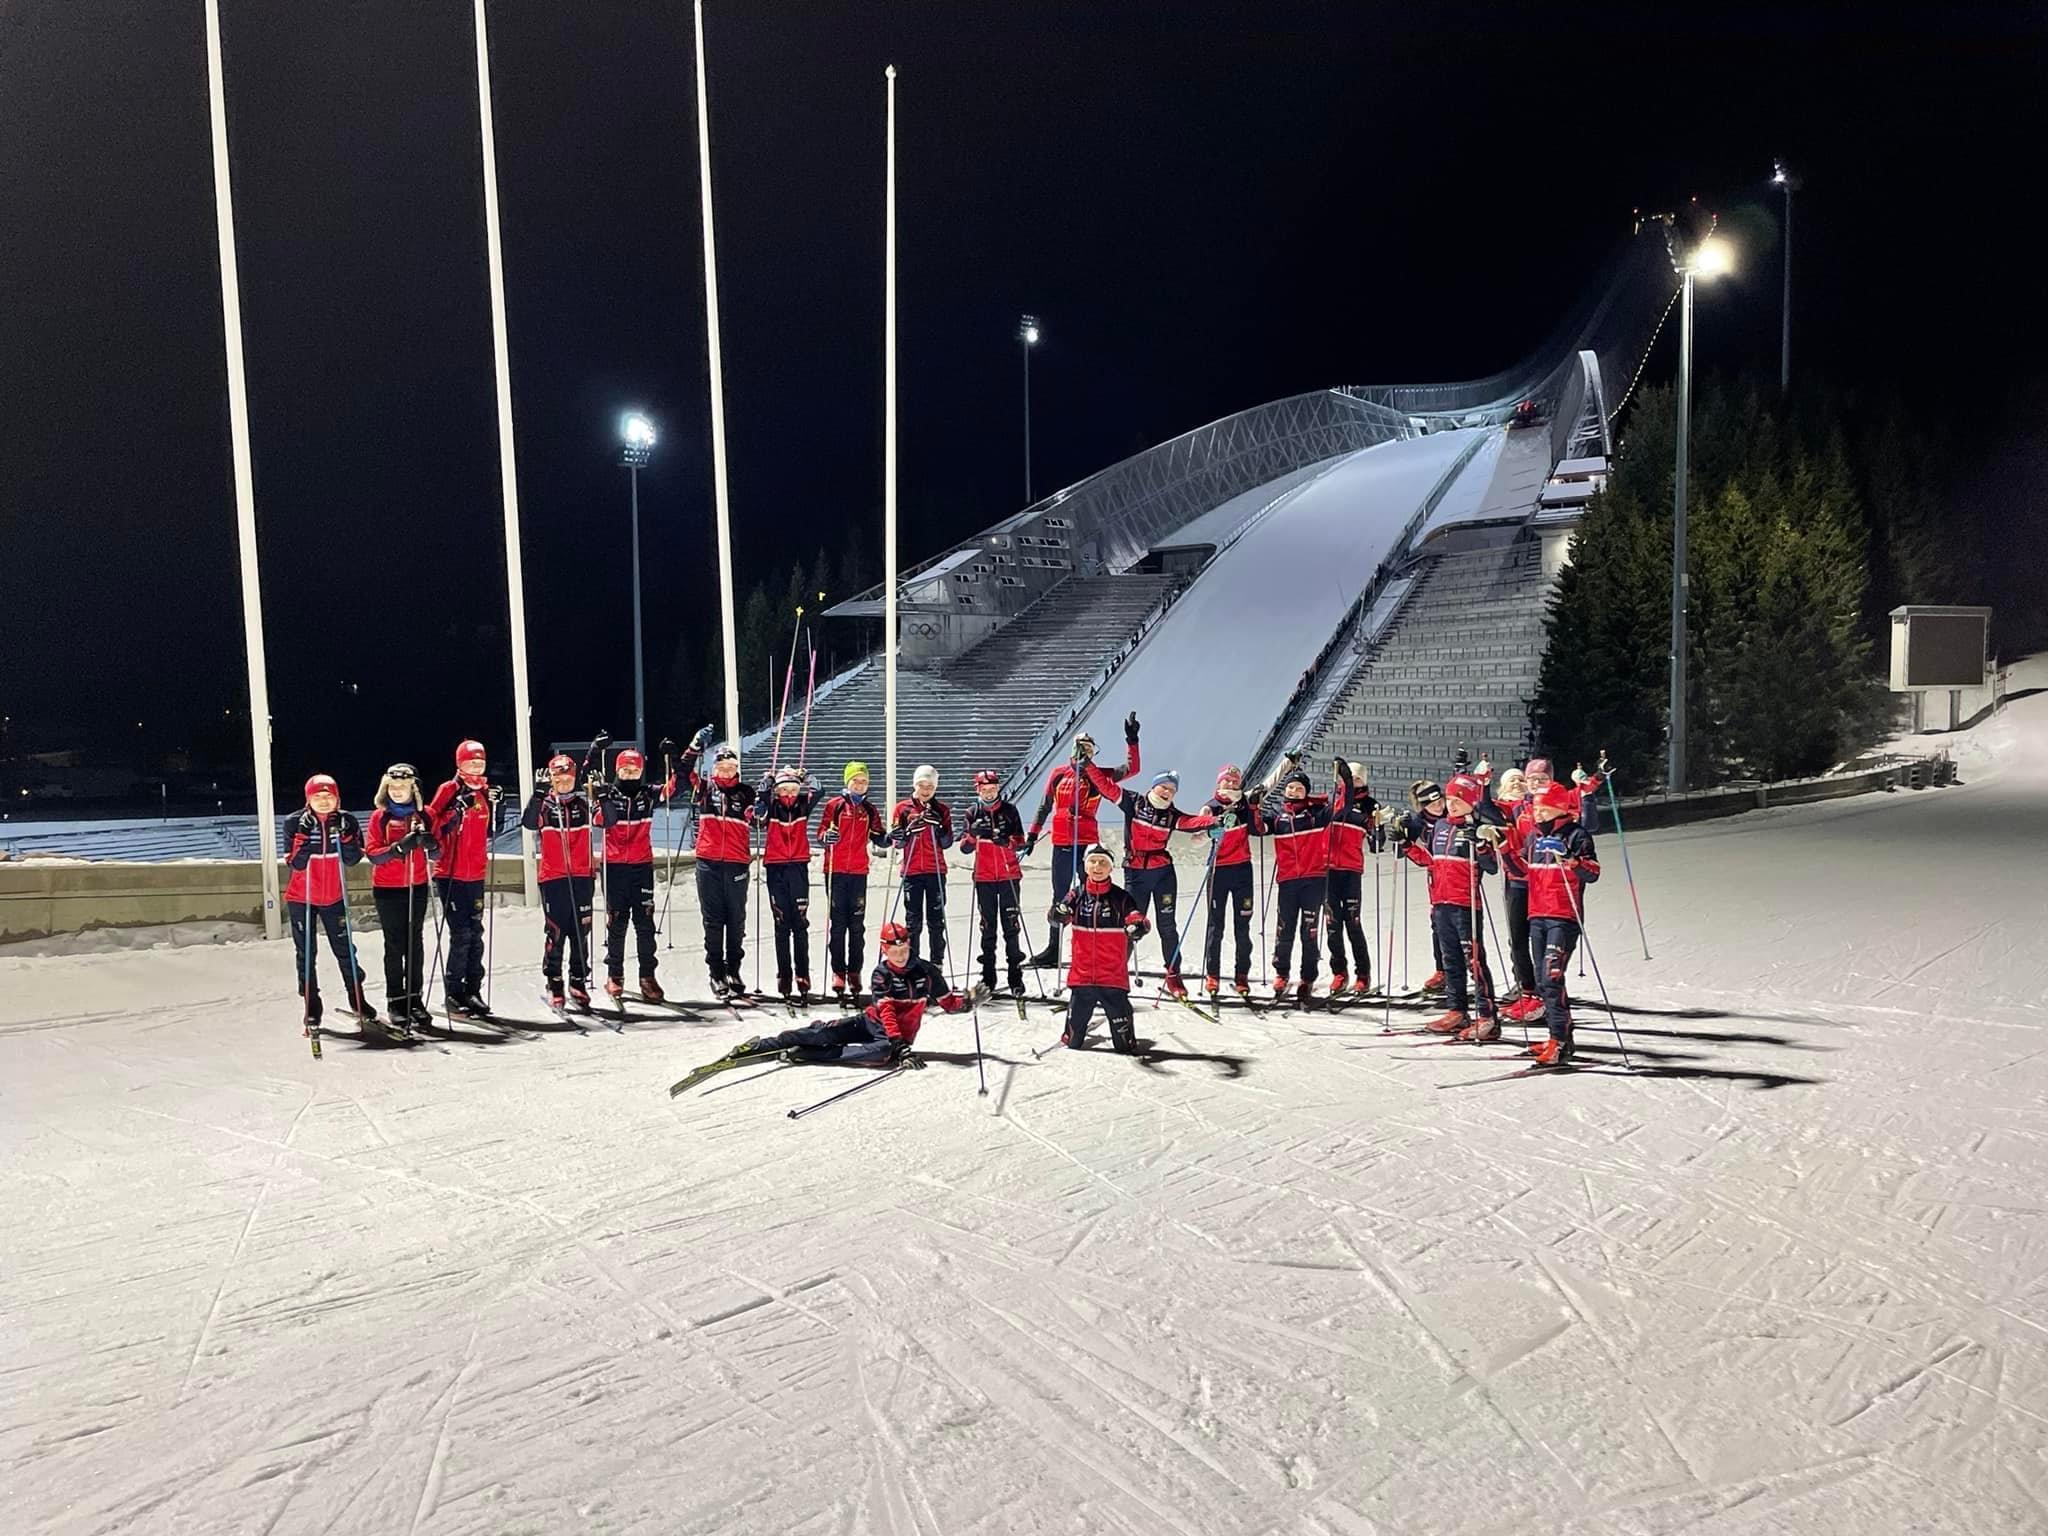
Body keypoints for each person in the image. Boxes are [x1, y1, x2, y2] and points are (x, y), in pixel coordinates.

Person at [682, 921, 966, 1076]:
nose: (900, 956)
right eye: (894, 951)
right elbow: (887, 1012)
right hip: (873, 1024)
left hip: (889, 1041)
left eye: (903, 950)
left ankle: (803, 1054)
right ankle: (760, 1046)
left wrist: (969, 1001)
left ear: (910, 946)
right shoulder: (881, 974)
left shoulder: (927, 972)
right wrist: (901, 1046)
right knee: (820, 1034)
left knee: (880, 1055)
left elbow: (949, 1003)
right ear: (884, 950)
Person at [1081, 763, 1215, 998]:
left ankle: (1173, 974)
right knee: (1131, 925)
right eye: (1164, 787)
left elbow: (1191, 822)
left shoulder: (1171, 815)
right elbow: (1105, 786)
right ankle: (1114, 974)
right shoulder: (1134, 802)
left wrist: (1217, 821)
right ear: (1154, 787)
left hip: (1163, 874)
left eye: (1172, 790)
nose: (1167, 792)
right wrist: (1087, 765)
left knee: (1167, 926)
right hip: (1136, 874)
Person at [1023, 711, 1141, 967]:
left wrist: (1132, 741)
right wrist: (1031, 835)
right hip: (1062, 841)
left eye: (1089, 748)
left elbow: (1132, 769)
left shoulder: (1098, 774)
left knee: (1092, 894)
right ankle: (1053, 948)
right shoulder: (1058, 773)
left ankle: (1096, 946)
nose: (1084, 751)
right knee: (1060, 896)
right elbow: (1044, 806)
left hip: (1086, 842)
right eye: (1081, 746)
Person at [1506, 780, 1601, 1065]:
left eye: (1544, 810)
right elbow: (1521, 870)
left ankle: (1559, 1040)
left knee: (1551, 977)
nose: (1538, 815)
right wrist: (1502, 849)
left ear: (1559, 809)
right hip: (1537, 915)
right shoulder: (1534, 837)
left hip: (1563, 916)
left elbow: (1593, 872)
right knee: (1542, 981)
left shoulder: (1577, 834)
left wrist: (1570, 859)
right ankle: (1558, 1036)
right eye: (1536, 810)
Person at [1401, 771, 1500, 1039]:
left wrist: (1481, 843)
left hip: (1465, 905)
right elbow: (1428, 860)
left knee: (1474, 962)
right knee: (1450, 961)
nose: (1452, 804)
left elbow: (1492, 867)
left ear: (1471, 801)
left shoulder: (1478, 826)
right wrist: (1405, 844)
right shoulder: (1440, 826)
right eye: (1450, 799)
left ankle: (1487, 1017)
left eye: (1459, 800)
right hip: (1440, 903)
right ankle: (1457, 1011)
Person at [286, 774, 380, 1034]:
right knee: (306, 953)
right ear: (308, 799)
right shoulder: (294, 821)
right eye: (318, 796)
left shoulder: (347, 820)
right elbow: (296, 863)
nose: (324, 801)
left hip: (334, 896)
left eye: (329, 796)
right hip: (302, 896)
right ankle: (311, 1004)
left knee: (345, 949)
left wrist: (347, 835)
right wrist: (304, 835)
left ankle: (357, 997)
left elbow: (352, 860)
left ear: (337, 798)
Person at [591, 744, 678, 1002]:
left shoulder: (648, 794)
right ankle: (614, 975)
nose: (630, 775)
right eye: (625, 770)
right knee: (617, 922)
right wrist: (602, 796)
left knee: (645, 924)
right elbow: (599, 820)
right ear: (617, 770)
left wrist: (672, 757)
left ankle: (647, 976)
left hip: (641, 866)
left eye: (635, 770)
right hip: (615, 867)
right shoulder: (608, 793)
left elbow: (675, 786)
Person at [426, 740, 501, 1019]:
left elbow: (490, 830)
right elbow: (431, 823)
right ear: (460, 763)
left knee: (476, 934)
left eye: (480, 763)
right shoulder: (449, 789)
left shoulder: (484, 791)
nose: (476, 767)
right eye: (471, 762)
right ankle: (453, 993)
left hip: (475, 873)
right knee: (461, 935)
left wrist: (499, 806)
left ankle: (473, 990)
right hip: (450, 873)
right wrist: (455, 810)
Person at [1051, 844, 1151, 1052]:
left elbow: (1137, 917)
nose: (1098, 866)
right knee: (1073, 1042)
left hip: (1112, 978)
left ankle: (1125, 1036)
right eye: (1093, 862)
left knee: (1125, 1046)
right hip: (1082, 978)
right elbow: (1058, 916)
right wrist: (1057, 914)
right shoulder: (1076, 894)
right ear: (1085, 866)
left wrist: (1138, 925)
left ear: (1111, 868)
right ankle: (1074, 1031)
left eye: (1103, 862)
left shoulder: (1121, 897)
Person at [680, 724, 755, 998]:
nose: (726, 772)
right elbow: (682, 771)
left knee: (736, 920)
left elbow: (758, 819)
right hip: (708, 863)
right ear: (714, 769)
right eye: (721, 768)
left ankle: (733, 969)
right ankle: (716, 972)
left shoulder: (746, 792)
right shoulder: (704, 788)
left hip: (736, 863)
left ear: (736, 769)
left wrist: (763, 803)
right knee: (713, 921)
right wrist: (694, 747)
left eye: (730, 768)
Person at [364, 764, 439, 1029]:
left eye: (403, 787)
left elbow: (438, 852)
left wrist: (431, 844)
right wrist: (398, 848)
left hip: (416, 885)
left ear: (413, 788)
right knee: (394, 944)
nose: (397, 791)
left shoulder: (426, 814)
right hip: (387, 888)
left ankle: (414, 998)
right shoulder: (379, 817)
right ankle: (395, 1000)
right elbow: (373, 853)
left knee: (414, 944)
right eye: (392, 787)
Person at [522, 753, 597, 1009]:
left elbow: (607, 819)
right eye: (558, 779)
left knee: (580, 932)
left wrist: (603, 794)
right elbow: (528, 823)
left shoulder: (584, 804)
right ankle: (554, 981)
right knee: (556, 932)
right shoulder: (545, 805)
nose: (563, 783)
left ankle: (578, 979)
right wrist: (538, 794)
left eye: (568, 779)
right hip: (554, 878)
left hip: (582, 877)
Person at [815, 761, 888, 1001]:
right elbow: (821, 833)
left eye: (864, 781)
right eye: (856, 780)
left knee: (857, 926)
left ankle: (854, 971)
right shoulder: (835, 805)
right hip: (835, 871)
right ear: (848, 782)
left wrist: (891, 838)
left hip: (858, 872)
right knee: (838, 925)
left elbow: (879, 836)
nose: (860, 785)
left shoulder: (869, 809)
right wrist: (827, 836)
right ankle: (838, 971)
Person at [1265, 754, 1333, 1008]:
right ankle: (1281, 973)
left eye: (1300, 788)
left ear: (1306, 792)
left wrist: (1344, 781)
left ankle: (1307, 977)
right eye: (1291, 787)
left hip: (1313, 881)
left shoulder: (1316, 816)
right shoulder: (1278, 818)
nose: (1294, 792)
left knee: (1309, 932)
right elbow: (1255, 826)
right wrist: (1252, 804)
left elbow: (1342, 806)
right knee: (1284, 930)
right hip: (1288, 882)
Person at [957, 769, 1028, 998]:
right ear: (978, 790)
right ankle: (988, 975)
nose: (989, 793)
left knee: (1011, 926)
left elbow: (1021, 842)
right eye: (984, 789)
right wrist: (972, 835)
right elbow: (964, 847)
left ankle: (1015, 976)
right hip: (984, 877)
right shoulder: (972, 812)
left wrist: (1007, 841)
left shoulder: (1010, 810)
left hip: (1008, 875)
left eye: (993, 789)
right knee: (988, 927)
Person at [753, 764, 820, 1001]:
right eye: (784, 789)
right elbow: (758, 810)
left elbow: (819, 790)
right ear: (777, 791)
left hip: (798, 866)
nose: (789, 794)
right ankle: (784, 974)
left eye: (793, 789)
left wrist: (805, 776)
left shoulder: (803, 806)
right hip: (776, 867)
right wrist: (766, 784)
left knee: (799, 922)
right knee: (781, 922)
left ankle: (802, 974)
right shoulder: (771, 807)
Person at [1201, 765, 1265, 999]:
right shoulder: (1210, 807)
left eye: (1234, 781)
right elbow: (1196, 839)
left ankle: (1241, 975)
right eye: (1226, 781)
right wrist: (1210, 832)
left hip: (1242, 870)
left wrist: (1290, 762)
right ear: (1219, 783)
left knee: (1243, 927)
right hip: (1218, 870)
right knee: (1215, 926)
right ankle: (1212, 975)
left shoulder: (1244, 804)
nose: (1230, 784)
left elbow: (1270, 782)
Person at [889, 764, 954, 967]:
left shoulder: (941, 809)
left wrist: (939, 827)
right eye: (922, 785)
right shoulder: (902, 808)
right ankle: (913, 962)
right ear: (914, 785)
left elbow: (947, 842)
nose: (925, 790)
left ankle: (937, 963)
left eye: (930, 786)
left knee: (936, 921)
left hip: (935, 870)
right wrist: (907, 832)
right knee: (913, 922)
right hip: (912, 871)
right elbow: (897, 842)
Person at [1490, 766, 1542, 1017]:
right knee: (1517, 936)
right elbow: (1482, 808)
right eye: (1511, 780)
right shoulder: (1502, 808)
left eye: (1521, 779)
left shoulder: (1535, 807)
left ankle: (1541, 987)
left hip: (1540, 879)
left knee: (1540, 935)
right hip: (1516, 879)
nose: (1516, 783)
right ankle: (1524, 983)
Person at [1324, 760, 1376, 997]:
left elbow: (1377, 842)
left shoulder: (1369, 805)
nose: (1353, 783)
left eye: (1357, 779)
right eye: (1349, 778)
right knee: (1332, 924)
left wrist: (1379, 829)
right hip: (1328, 869)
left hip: (1351, 870)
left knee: (1353, 923)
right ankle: (1339, 972)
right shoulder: (1332, 800)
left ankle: (1363, 974)